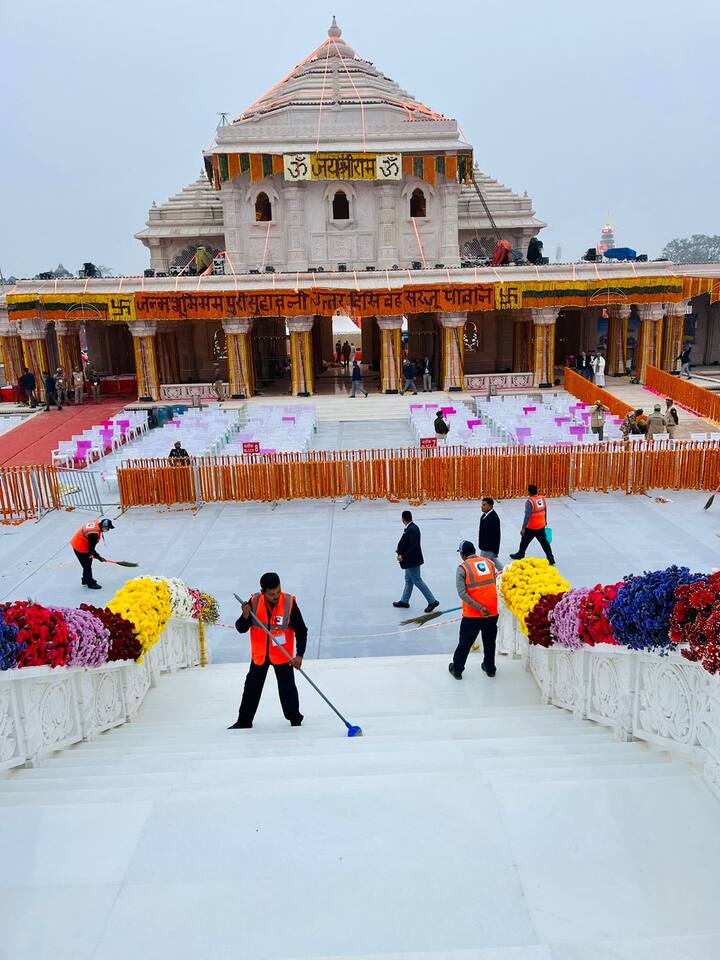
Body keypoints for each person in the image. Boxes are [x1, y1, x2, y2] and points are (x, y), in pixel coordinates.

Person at [228, 572, 305, 729]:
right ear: (263, 592)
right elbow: (241, 628)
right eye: (271, 594)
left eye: (278, 591)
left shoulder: (289, 602)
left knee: (287, 689)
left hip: (282, 655)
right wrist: (245, 615)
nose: (276, 596)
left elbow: (301, 630)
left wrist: (299, 655)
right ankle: (244, 721)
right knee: (251, 688)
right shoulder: (254, 602)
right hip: (260, 654)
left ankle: (295, 719)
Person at [448, 541, 498, 680]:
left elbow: (462, 593)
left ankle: (457, 669)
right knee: (489, 641)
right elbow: (494, 582)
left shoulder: (462, 568)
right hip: (491, 611)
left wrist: (479, 607)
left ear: (463, 554)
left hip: (473, 614)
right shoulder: (489, 563)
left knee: (465, 642)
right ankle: (490, 668)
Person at [393, 510, 439, 613]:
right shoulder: (411, 527)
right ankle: (404, 601)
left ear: (403, 519)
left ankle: (432, 601)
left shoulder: (412, 529)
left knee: (417, 581)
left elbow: (414, 547)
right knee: (408, 581)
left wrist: (403, 556)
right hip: (410, 560)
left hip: (412, 561)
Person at [509, 484, 555, 564]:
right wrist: (545, 521)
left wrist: (523, 528)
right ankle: (550, 558)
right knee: (544, 543)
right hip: (541, 525)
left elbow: (527, 516)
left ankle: (520, 554)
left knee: (524, 541)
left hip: (532, 527)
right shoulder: (542, 499)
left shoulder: (529, 502)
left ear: (529, 492)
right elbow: (545, 510)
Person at [69, 517, 114, 590]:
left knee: (87, 565)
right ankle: (91, 583)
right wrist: (99, 558)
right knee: (87, 566)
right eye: (108, 528)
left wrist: (95, 556)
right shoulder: (94, 535)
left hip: (78, 541)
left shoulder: (97, 523)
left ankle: (85, 579)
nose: (108, 530)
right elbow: (91, 550)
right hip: (80, 547)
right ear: (103, 526)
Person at [477, 496, 503, 571]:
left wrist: (496, 551)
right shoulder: (484, 516)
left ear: (490, 506)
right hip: (484, 546)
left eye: (484, 505)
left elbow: (496, 536)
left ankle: (483, 578)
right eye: (482, 504)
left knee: (482, 565)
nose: (482, 507)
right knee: (494, 562)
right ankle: (505, 573)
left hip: (488, 548)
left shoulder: (493, 518)